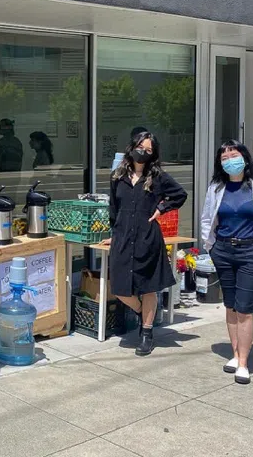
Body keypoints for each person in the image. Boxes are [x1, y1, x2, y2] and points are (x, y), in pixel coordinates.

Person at [200, 139, 253, 384]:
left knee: (245, 309)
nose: (229, 161)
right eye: (224, 158)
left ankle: (244, 363)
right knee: (231, 306)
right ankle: (235, 354)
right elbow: (208, 220)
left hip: (250, 253)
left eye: (233, 155)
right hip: (224, 251)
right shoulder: (216, 189)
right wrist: (211, 247)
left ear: (245, 159)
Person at [101, 131, 187, 356]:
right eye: (141, 147)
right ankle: (142, 312)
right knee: (119, 287)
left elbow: (179, 195)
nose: (143, 153)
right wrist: (114, 232)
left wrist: (160, 209)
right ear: (131, 147)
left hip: (148, 238)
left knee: (148, 288)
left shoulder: (158, 177)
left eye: (149, 150)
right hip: (122, 238)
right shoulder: (117, 176)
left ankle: (147, 333)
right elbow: (113, 208)